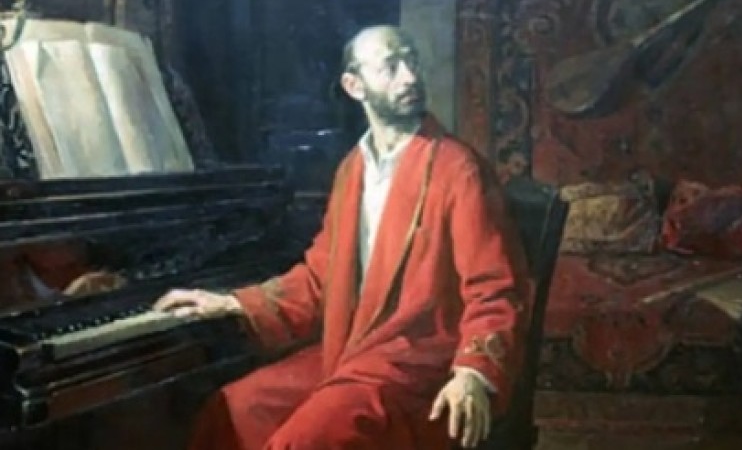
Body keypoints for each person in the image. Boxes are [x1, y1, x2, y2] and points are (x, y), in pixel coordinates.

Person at [154, 25, 532, 450]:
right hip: (350, 352)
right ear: (355, 86)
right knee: (234, 410)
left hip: (418, 367)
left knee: (303, 441)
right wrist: (231, 302)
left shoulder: (457, 168)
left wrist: (473, 372)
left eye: (411, 61)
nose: (409, 77)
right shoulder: (352, 169)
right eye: (390, 67)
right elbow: (320, 280)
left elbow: (496, 287)